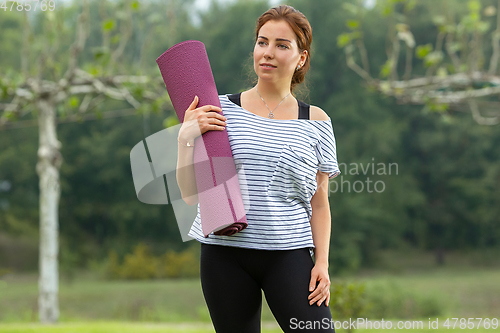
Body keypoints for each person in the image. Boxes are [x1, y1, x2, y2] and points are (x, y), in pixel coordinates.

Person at [176, 5, 340, 333]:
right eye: (262, 42)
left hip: (289, 255)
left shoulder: (316, 122)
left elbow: (319, 202)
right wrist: (185, 139)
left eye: (282, 45)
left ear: (301, 57)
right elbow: (190, 194)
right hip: (225, 255)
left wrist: (321, 262)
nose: (268, 53)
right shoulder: (219, 110)